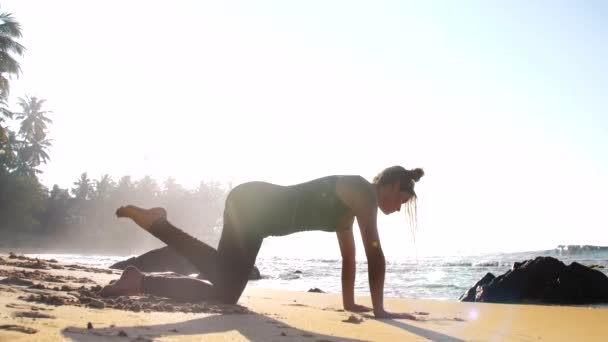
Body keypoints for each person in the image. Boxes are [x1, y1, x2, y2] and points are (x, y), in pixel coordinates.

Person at [101, 166, 424, 319]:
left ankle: (139, 279)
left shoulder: (349, 211)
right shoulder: (363, 193)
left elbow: (351, 258)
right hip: (253, 204)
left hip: (255, 217)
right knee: (224, 281)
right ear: (393, 184)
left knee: (225, 291)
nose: (398, 209)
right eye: (402, 199)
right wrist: (381, 310)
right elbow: (375, 252)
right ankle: (157, 227)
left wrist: (350, 303)